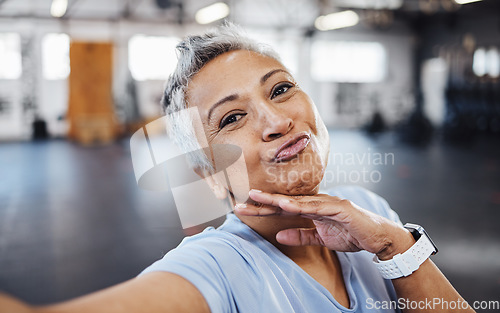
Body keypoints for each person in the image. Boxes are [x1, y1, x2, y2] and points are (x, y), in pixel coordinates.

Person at [0, 23, 474, 313]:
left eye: (281, 89)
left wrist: (395, 244)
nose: (277, 121)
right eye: (231, 118)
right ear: (207, 173)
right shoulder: (218, 268)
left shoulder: (370, 210)